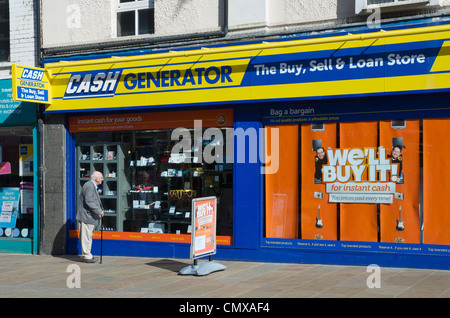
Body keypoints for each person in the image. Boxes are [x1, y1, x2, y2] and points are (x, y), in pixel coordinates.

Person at [76, 171, 104, 263]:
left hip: (89, 217)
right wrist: (99, 211)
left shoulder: (91, 186)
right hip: (86, 217)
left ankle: (88, 255)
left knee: (88, 237)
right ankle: (87, 256)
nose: (102, 179)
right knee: (86, 237)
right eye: (101, 178)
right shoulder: (89, 186)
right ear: (96, 178)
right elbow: (89, 201)